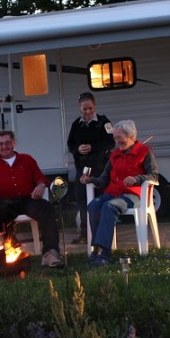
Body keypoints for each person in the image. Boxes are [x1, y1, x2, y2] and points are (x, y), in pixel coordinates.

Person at [0, 130, 64, 268]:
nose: (4, 147)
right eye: (1, 144)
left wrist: (40, 185)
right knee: (0, 213)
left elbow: (41, 178)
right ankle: (11, 245)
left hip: (28, 199)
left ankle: (50, 253)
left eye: (7, 143)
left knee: (47, 208)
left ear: (14, 143)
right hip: (5, 202)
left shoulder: (27, 159)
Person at [80, 120, 158, 267]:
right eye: (115, 138)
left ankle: (105, 253)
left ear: (131, 136)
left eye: (120, 138)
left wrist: (137, 179)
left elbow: (154, 175)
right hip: (114, 193)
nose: (117, 142)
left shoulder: (144, 151)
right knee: (93, 206)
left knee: (109, 207)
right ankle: (95, 249)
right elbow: (104, 179)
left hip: (133, 195)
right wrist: (90, 179)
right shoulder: (115, 155)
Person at [66, 92, 114, 244]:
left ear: (95, 106)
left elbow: (110, 142)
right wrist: (78, 149)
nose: (87, 112)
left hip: (100, 166)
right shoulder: (76, 124)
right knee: (82, 199)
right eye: (84, 109)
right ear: (80, 108)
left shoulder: (103, 122)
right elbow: (70, 144)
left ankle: (101, 231)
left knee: (100, 198)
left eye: (90, 109)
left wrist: (92, 147)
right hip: (83, 167)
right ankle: (85, 233)